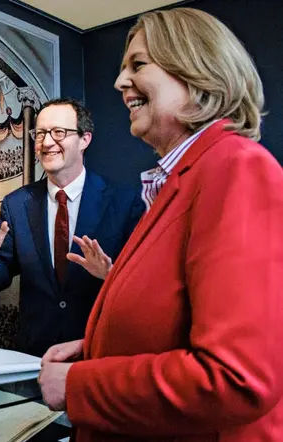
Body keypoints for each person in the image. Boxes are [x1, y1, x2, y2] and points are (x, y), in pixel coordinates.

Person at [37, 8, 283, 442]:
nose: (119, 82)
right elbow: (173, 322)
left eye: (138, 64)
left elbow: (235, 379)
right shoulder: (179, 181)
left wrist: (80, 385)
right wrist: (97, 347)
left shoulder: (236, 168)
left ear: (197, 70)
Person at [0, 97, 145, 357]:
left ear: (84, 140)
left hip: (99, 354)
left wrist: (110, 275)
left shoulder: (124, 202)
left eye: (59, 132)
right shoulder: (17, 204)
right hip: (36, 356)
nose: (47, 142)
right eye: (41, 133)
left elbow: (145, 289)